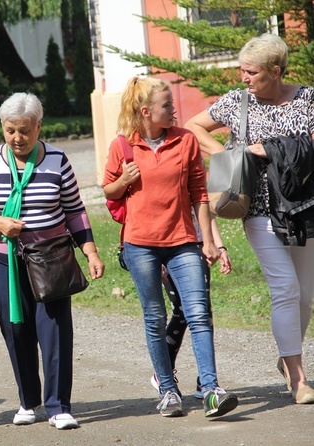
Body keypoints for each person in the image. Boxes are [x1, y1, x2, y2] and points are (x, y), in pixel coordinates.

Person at [185, 33, 314, 405]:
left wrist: (271, 149)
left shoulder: (307, 99)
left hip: (303, 207)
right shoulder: (237, 101)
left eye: (251, 72)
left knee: (305, 295)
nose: (243, 78)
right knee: (285, 289)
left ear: (275, 71)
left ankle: (286, 358)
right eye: (241, 70)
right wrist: (231, 153)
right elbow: (194, 126)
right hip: (257, 209)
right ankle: (299, 379)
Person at [0, 92, 104, 430]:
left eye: (25, 130)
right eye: (10, 130)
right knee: (16, 330)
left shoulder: (57, 160)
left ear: (39, 126)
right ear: (2, 127)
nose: (17, 138)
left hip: (52, 259)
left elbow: (74, 210)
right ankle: (28, 401)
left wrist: (90, 250)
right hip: (4, 261)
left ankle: (58, 406)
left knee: (54, 332)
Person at [103, 77, 239, 418]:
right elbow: (108, 191)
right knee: (154, 318)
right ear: (147, 112)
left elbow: (200, 193)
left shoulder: (186, 141)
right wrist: (123, 181)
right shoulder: (122, 146)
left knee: (199, 313)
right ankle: (167, 390)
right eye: (167, 105)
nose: (174, 109)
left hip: (183, 243)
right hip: (140, 246)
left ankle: (210, 389)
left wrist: (208, 240)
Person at [150, 215, 232, 399]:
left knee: (202, 312)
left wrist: (219, 246)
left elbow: (206, 210)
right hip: (167, 247)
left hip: (197, 244)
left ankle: (205, 382)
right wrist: (156, 255)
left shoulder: (197, 184)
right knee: (181, 311)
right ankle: (164, 373)